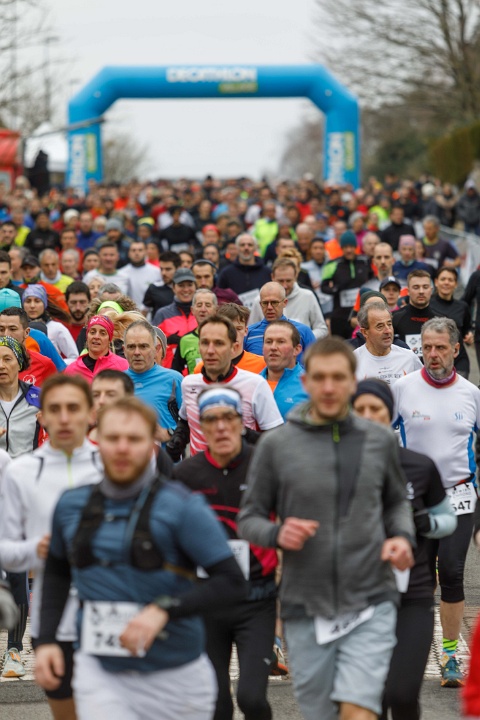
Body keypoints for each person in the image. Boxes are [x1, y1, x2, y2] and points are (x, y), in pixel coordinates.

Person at [34, 396, 247, 720]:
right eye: (113, 438)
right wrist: (47, 639)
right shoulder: (71, 504)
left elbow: (232, 582)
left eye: (133, 439)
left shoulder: (182, 507)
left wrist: (164, 609)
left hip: (176, 676)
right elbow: (57, 573)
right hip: (100, 670)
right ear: (96, 440)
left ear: (151, 445)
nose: (122, 448)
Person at [238, 336, 415, 720]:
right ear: (306, 381)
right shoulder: (277, 445)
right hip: (306, 605)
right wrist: (277, 534)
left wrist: (402, 537)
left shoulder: (378, 439)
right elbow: (249, 518)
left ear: (353, 382)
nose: (329, 387)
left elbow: (396, 502)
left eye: (338, 378)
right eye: (320, 378)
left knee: (358, 712)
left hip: (370, 597)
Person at [351, 379, 456, 720]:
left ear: (390, 415)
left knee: (403, 692)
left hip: (412, 593)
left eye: (376, 409)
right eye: (360, 409)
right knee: (374, 697)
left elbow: (448, 521)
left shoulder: (418, 465)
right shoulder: (337, 467)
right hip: (359, 597)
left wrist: (425, 522)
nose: (368, 416)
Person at [0, 374, 102, 719]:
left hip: (110, 611)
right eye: (54, 409)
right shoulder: (21, 472)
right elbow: (5, 550)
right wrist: (38, 549)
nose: (64, 417)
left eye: (73, 408)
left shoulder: (112, 464)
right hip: (53, 617)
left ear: (90, 413)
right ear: (40, 416)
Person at [173, 386, 278, 720]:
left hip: (256, 601)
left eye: (228, 418)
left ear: (241, 422)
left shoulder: (264, 466)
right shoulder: (185, 475)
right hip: (207, 602)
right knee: (216, 704)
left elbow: (289, 523)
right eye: (211, 419)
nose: (220, 427)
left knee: (252, 698)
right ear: (201, 426)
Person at [392, 317, 480, 688]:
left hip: (460, 496)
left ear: (456, 350)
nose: (432, 354)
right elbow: (379, 436)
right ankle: (411, 649)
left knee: (454, 572)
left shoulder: (471, 394)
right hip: (416, 499)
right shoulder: (402, 388)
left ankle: (449, 654)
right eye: (426, 347)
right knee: (419, 579)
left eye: (440, 347)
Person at [167, 316, 283, 459]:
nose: (210, 350)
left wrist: (242, 433)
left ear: (233, 348)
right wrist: (179, 437)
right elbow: (186, 420)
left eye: (219, 343)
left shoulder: (255, 384)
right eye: (205, 343)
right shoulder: (189, 383)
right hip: (200, 469)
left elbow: (276, 440)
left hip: (241, 469)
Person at [124, 320, 182, 441]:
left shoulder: (174, 380)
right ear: (124, 350)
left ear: (156, 349)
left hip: (165, 452)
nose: (137, 352)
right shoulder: (116, 382)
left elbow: (192, 423)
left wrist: (170, 433)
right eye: (131, 347)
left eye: (143, 346)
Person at [248, 258, 328, 339]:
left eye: (288, 281)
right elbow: (250, 332)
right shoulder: (259, 300)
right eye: (280, 281)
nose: (284, 285)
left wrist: (303, 337)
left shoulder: (308, 296)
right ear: (272, 277)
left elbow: (322, 329)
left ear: (296, 276)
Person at [244, 282, 316, 364]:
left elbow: (316, 361)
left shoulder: (303, 331)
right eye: (265, 303)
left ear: (285, 302)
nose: (269, 307)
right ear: (260, 304)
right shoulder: (248, 333)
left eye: (274, 302)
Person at [354, 301, 422, 384]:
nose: (388, 331)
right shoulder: (354, 361)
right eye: (380, 326)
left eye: (389, 324)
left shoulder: (409, 358)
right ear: (365, 332)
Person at [321, 230, 371, 338]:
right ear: (341, 248)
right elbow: (323, 287)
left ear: (356, 247)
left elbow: (372, 280)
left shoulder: (365, 261)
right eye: (345, 247)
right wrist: (335, 289)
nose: (349, 250)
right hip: (339, 315)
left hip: (360, 314)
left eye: (351, 247)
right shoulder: (332, 264)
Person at [193, 303, 266, 375]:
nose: (234, 334)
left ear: (245, 331)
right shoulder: (202, 368)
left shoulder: (262, 364)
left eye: (239, 329)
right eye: (229, 329)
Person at [430, 266, 473, 378]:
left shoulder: (463, 307)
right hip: (435, 359)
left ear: (456, 284)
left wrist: (469, 335)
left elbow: (466, 330)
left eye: (450, 280)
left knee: (459, 388)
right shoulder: (427, 305)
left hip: (459, 360)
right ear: (436, 282)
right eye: (443, 279)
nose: (446, 282)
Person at [261, 320, 308, 420]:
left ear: (297, 349)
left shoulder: (310, 386)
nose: (273, 347)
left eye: (281, 342)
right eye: (269, 342)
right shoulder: (251, 384)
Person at [153, 268, 198, 368]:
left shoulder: (203, 313)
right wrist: (167, 341)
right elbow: (151, 345)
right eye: (181, 285)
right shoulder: (162, 314)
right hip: (170, 372)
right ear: (173, 288)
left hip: (198, 372)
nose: (186, 289)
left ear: (195, 286)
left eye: (190, 285)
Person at [0, 307, 57, 387]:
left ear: (26, 332)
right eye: (1, 329)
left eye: (12, 329)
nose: (6, 334)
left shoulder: (44, 364)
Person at [22, 284, 79, 362]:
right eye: (28, 301)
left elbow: (75, 357)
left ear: (44, 304)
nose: (32, 306)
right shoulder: (18, 328)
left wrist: (55, 364)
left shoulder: (57, 328)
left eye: (37, 301)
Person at [64, 315, 128, 381]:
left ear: (109, 339)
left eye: (102, 333)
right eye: (92, 332)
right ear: (87, 336)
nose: (96, 337)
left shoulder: (123, 366)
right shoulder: (71, 370)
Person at [217, 234, 271, 307]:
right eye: (242, 245)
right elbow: (220, 298)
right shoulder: (226, 273)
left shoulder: (267, 272)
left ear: (255, 247)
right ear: (237, 248)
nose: (246, 248)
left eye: (250, 245)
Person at [171, 289, 217, 374]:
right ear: (192, 310)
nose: (203, 309)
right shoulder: (185, 340)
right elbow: (175, 372)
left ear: (216, 310)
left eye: (208, 305)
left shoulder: (226, 336)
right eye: (199, 305)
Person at [392, 270, 435, 360]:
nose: (421, 291)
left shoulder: (441, 320)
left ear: (431, 290)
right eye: (416, 287)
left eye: (425, 287)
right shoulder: (395, 319)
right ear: (408, 291)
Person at [89, 369, 135, 444]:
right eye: (96, 395)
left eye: (110, 395)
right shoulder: (77, 442)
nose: (101, 401)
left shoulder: (145, 444)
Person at [119, 240, 161, 309]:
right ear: (129, 253)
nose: (137, 253)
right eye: (133, 250)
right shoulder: (122, 273)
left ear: (146, 252)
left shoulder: (157, 272)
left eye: (140, 250)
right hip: (129, 313)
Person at [143, 250, 181, 317]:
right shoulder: (154, 288)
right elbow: (144, 312)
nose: (163, 273)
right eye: (161, 269)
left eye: (168, 269)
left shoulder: (188, 289)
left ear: (178, 269)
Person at [65, 282, 91, 350]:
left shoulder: (96, 328)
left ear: (89, 302)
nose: (78, 308)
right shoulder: (59, 327)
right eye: (73, 302)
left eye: (82, 302)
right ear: (66, 302)